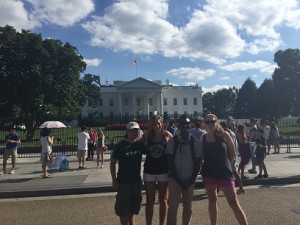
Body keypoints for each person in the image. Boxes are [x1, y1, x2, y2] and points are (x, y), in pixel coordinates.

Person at [199, 114, 248, 225]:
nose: (210, 124)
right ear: (205, 123)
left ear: (216, 122)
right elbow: (201, 155)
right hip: (209, 173)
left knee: (234, 203)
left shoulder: (224, 135)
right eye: (208, 122)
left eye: (213, 121)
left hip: (224, 172)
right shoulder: (203, 137)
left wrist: (225, 164)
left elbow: (232, 153)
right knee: (212, 200)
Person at [110, 122, 148, 225]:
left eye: (136, 131)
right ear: (127, 132)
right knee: (123, 210)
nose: (134, 133)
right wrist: (114, 180)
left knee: (133, 209)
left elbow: (150, 150)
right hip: (124, 182)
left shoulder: (140, 145)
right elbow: (112, 163)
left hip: (136, 181)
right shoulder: (120, 146)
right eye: (132, 130)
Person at [166, 114, 201, 225]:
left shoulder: (194, 142)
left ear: (190, 126)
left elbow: (198, 162)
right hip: (175, 179)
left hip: (189, 179)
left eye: (187, 123)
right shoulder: (173, 141)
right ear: (178, 126)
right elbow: (169, 161)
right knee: (173, 207)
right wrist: (177, 179)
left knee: (188, 207)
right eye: (182, 124)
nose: (185, 126)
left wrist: (192, 179)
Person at [143, 115, 173, 225]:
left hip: (163, 170)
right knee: (149, 200)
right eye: (154, 123)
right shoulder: (147, 136)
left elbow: (174, 149)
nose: (156, 125)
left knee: (163, 199)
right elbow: (138, 146)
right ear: (150, 125)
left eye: (158, 123)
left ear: (162, 123)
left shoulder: (167, 135)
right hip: (149, 171)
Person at [220, 121, 245, 195]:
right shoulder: (231, 133)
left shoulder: (227, 134)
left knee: (233, 171)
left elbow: (229, 145)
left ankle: (240, 187)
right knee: (231, 171)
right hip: (231, 154)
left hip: (230, 154)